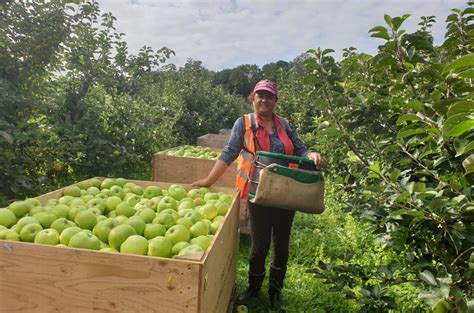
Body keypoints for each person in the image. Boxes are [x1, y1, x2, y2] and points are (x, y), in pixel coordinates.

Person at [192, 79, 324, 310]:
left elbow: (301, 148)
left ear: (275, 100)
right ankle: (254, 288)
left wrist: (311, 154)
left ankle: (275, 291)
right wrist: (208, 180)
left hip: (285, 193)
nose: (264, 99)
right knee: (260, 245)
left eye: (269, 96)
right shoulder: (243, 123)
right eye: (260, 95)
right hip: (259, 193)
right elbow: (229, 153)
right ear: (252, 98)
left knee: (282, 246)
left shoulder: (285, 124)